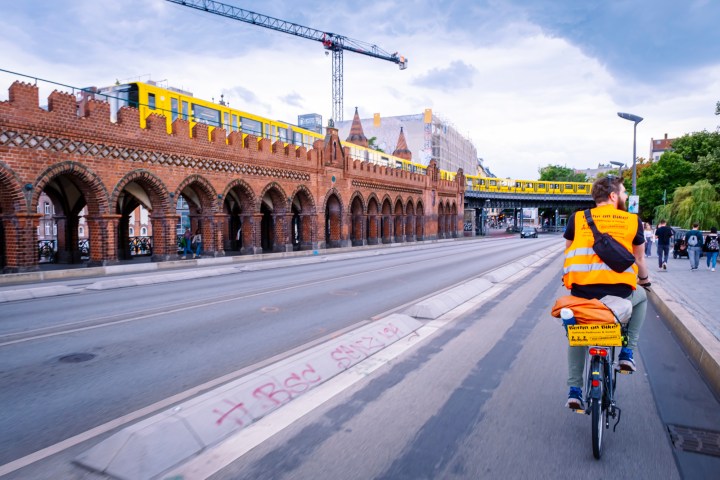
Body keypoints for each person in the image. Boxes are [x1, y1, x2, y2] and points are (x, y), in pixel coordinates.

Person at [562, 175, 650, 409]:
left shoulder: (577, 218)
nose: (625, 197)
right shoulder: (632, 221)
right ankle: (627, 353)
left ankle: (574, 390)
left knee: (578, 331)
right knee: (642, 298)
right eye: (623, 193)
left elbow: (569, 253)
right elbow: (640, 258)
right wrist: (645, 281)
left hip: (583, 294)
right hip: (619, 295)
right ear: (613, 196)